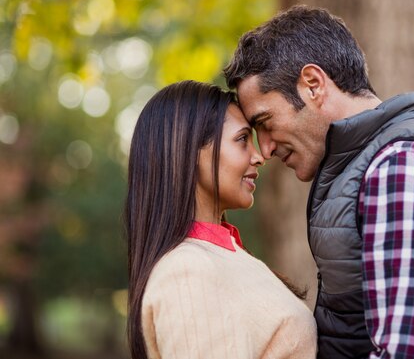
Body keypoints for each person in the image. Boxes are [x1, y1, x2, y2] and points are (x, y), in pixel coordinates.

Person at [224, 6, 414, 359]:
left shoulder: (407, 167)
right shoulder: (366, 169)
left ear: (313, 85)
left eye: (265, 122)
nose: (264, 148)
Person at [123, 80, 317, 359]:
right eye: (241, 140)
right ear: (188, 152)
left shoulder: (221, 256)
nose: (259, 156)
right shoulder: (187, 273)